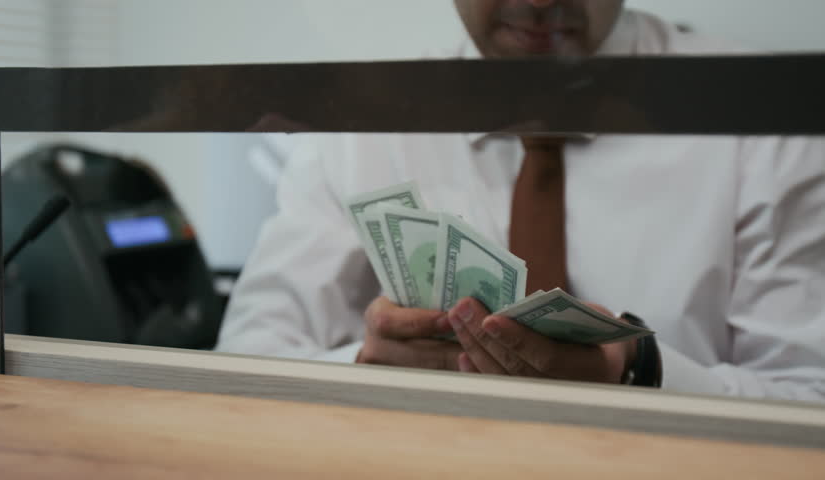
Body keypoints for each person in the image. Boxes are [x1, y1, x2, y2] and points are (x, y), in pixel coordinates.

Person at [216, 0, 825, 402]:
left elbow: (810, 394)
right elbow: (242, 366)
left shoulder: (760, 115)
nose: (537, 0)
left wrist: (635, 371)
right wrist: (367, 366)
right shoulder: (362, 123)